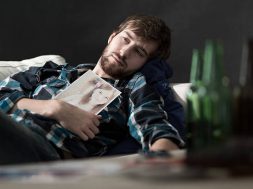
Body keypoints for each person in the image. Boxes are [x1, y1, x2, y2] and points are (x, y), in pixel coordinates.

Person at [0, 14, 185, 164]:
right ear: (112, 37)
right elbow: (3, 94)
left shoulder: (133, 88)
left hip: (45, 150)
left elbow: (155, 129)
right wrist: (55, 108)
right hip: (12, 127)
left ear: (146, 62)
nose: (124, 52)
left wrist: (163, 163)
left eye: (139, 52)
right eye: (125, 40)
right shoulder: (51, 71)